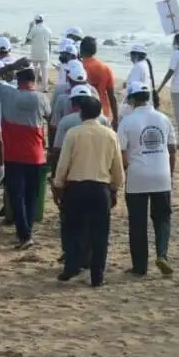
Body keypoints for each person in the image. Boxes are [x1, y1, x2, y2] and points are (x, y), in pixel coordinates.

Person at [52, 95, 124, 287]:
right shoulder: (110, 135)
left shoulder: (74, 133)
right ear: (99, 113)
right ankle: (97, 275)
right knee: (100, 234)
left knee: (72, 229)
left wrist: (58, 184)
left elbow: (63, 163)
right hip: (100, 188)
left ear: (81, 114)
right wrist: (115, 187)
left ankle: (71, 266)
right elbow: (117, 167)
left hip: (76, 187)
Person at [0, 58, 51, 250]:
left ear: (17, 79)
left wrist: (10, 66)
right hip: (35, 155)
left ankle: (24, 233)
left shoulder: (7, 93)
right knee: (31, 195)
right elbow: (49, 118)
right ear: (34, 80)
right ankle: (27, 230)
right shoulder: (42, 98)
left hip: (13, 155)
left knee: (17, 196)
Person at [117, 81, 176, 277]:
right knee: (163, 219)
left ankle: (140, 266)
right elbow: (172, 149)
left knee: (137, 223)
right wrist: (170, 173)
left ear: (132, 99)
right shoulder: (163, 118)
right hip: (161, 175)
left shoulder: (127, 121)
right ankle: (162, 254)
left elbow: (122, 153)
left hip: (137, 176)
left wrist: (126, 171)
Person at [79, 37, 118, 128]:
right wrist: (115, 119)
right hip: (103, 112)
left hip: (83, 114)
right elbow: (112, 96)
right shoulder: (105, 68)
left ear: (81, 50)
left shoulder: (78, 68)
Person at [26, 15, 52, 88]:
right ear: (43, 21)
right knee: (44, 71)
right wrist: (49, 52)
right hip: (45, 53)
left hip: (35, 53)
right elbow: (49, 42)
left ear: (35, 21)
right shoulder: (48, 29)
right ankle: (45, 87)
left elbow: (28, 39)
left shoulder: (34, 28)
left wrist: (30, 27)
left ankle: (33, 86)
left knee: (34, 70)